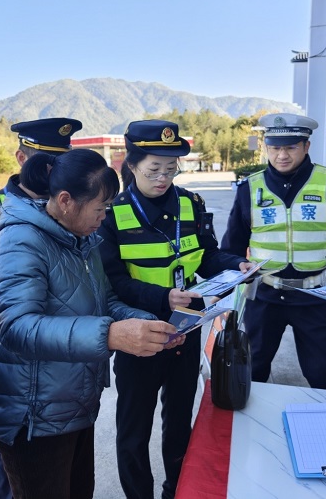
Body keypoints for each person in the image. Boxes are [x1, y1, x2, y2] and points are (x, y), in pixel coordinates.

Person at [0, 148, 182, 499]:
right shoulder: (19, 241)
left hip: (73, 405)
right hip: (33, 416)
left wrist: (147, 323)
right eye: (100, 208)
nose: (104, 217)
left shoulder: (82, 240)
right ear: (65, 201)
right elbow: (18, 328)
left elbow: (106, 301)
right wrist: (112, 335)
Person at [97, 119, 246, 499]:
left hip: (186, 329)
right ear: (131, 165)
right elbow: (112, 281)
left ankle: (175, 490)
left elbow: (207, 255)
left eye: (170, 169)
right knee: (134, 429)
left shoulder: (191, 204)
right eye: (153, 170)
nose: (163, 178)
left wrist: (236, 265)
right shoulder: (112, 213)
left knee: (179, 421)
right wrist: (161, 297)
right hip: (139, 335)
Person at [0, 117, 81, 499]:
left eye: (61, 163)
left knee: (62, 466)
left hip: (62, 358)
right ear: (21, 158)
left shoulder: (70, 207)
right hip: (13, 357)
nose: (54, 172)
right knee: (17, 459)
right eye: (47, 163)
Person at [220, 113, 326, 391]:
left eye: (290, 147)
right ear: (266, 147)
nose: (282, 155)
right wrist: (226, 293)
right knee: (250, 374)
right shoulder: (249, 189)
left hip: (315, 297)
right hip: (264, 296)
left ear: (306, 146)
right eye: (275, 148)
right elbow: (231, 247)